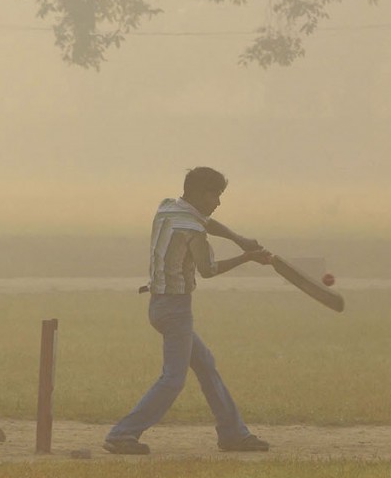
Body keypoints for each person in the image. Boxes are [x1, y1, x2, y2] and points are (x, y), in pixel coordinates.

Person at [104, 167, 274, 455]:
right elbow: (208, 270)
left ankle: (233, 434)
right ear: (197, 193)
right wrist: (247, 257)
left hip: (159, 305)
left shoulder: (167, 208)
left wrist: (238, 238)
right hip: (176, 310)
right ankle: (122, 434)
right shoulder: (193, 230)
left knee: (206, 365)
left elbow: (204, 221)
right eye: (214, 195)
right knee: (173, 379)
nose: (218, 202)